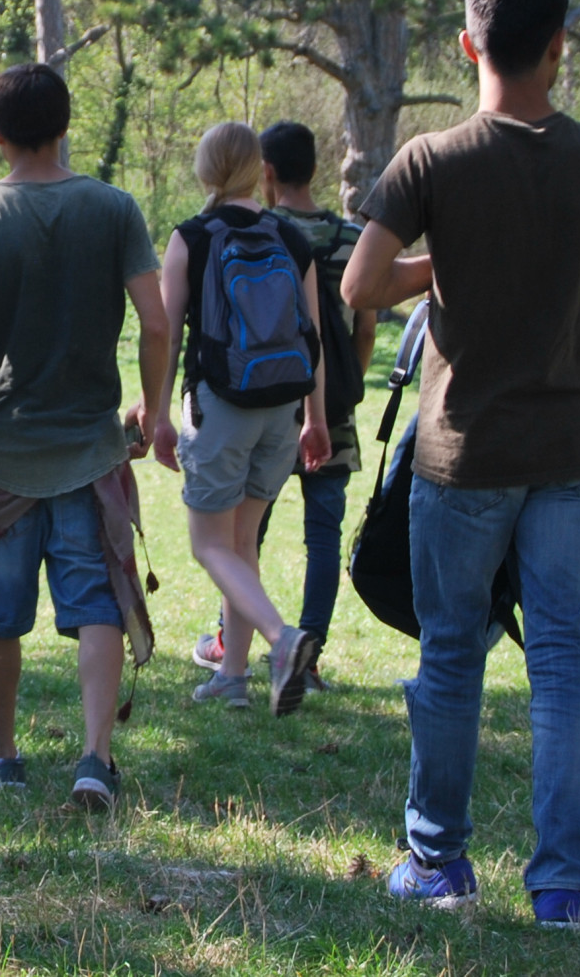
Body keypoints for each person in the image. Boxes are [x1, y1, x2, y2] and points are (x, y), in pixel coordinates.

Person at [342, 0, 580, 930]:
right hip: (570, 457)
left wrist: (440, 262)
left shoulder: (429, 159)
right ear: (557, 45)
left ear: (467, 44)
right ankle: (560, 890)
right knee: (562, 665)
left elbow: (360, 287)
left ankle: (437, 861)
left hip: (460, 460)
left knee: (451, 657)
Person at [0, 62, 172, 812]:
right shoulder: (115, 208)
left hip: (1, 455)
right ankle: (95, 758)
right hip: (92, 450)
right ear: (66, 124)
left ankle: (4, 757)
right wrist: (154, 407)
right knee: (98, 602)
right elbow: (159, 320)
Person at [191, 121, 377, 693]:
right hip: (315, 407)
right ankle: (275, 663)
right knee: (314, 536)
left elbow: (177, 325)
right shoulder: (336, 238)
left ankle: (259, 641)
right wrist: (330, 405)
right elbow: (348, 330)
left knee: (231, 539)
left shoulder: (223, 232)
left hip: (240, 403)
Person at [155, 122, 330, 717]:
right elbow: (315, 338)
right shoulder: (290, 236)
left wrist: (156, 413)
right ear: (258, 169)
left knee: (210, 546)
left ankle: (283, 644)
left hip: (222, 408)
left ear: (208, 171)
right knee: (240, 544)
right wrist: (318, 418)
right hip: (283, 408)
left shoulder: (191, 238)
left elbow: (165, 337)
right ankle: (233, 677)